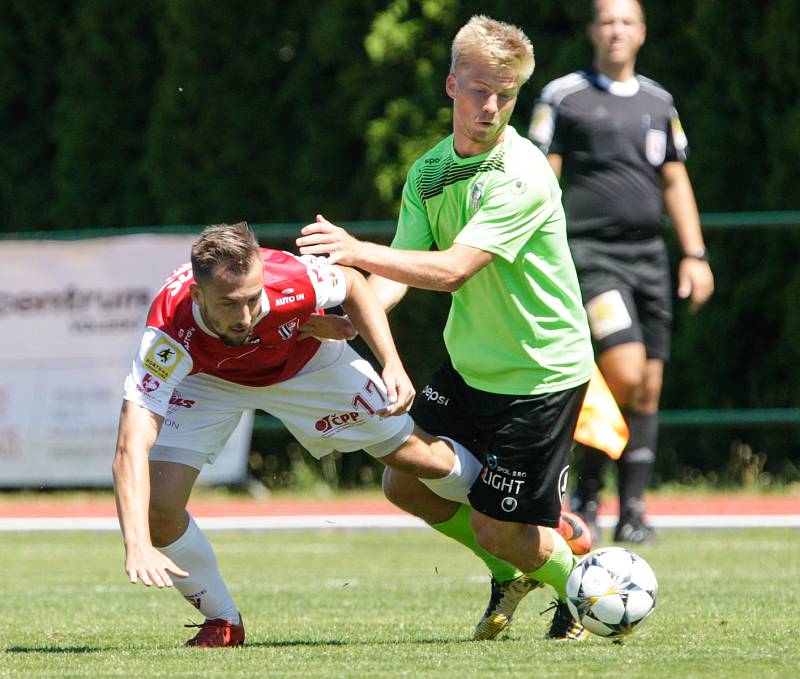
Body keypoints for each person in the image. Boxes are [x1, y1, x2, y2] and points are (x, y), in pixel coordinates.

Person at [297, 16, 595, 641]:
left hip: (537, 374)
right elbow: (400, 274)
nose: (491, 107)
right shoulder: (430, 172)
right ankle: (513, 564)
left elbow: (453, 270)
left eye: (506, 94)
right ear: (451, 85)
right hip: (470, 367)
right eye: (480, 89)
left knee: (494, 523)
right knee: (404, 480)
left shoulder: (523, 174)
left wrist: (354, 249)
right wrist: (349, 319)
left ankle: (587, 586)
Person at [112, 222, 486, 648]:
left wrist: (391, 363)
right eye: (230, 304)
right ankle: (224, 622)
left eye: (254, 299)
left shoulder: (289, 276)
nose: (246, 316)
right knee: (157, 509)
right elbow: (130, 447)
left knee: (416, 458)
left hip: (304, 361)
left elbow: (353, 284)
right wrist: (137, 541)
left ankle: (513, 516)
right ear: (198, 296)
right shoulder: (167, 335)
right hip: (208, 378)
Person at [528, 0, 714, 543]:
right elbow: (542, 177)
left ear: (642, 33)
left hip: (650, 259)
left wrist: (695, 256)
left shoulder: (659, 101)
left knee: (649, 387)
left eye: (626, 21)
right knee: (626, 372)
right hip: (591, 258)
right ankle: (587, 487)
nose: (616, 30)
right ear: (592, 30)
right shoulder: (564, 97)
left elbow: (675, 180)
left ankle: (631, 509)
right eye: (607, 20)